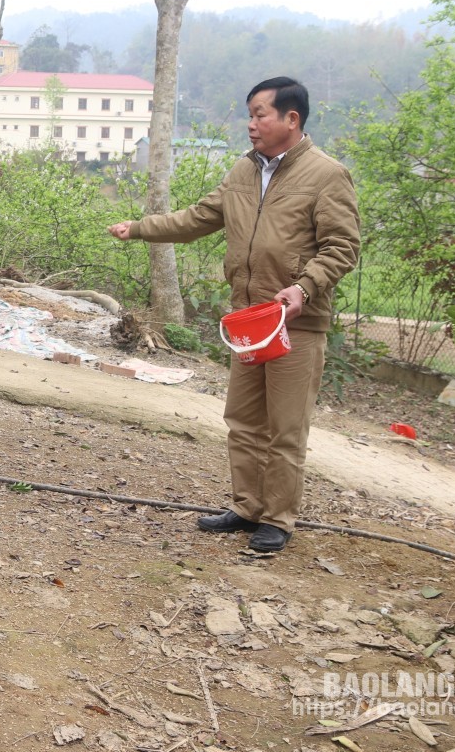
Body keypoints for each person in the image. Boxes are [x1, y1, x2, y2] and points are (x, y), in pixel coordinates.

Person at [107, 77, 360, 553]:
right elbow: (198, 217)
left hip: (295, 323)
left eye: (260, 114)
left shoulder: (327, 175)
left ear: (292, 118)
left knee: (285, 427)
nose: (251, 125)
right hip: (249, 319)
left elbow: (343, 246)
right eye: (249, 114)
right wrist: (139, 228)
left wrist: (305, 286)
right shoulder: (244, 172)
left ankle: (278, 519)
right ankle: (246, 507)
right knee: (243, 419)